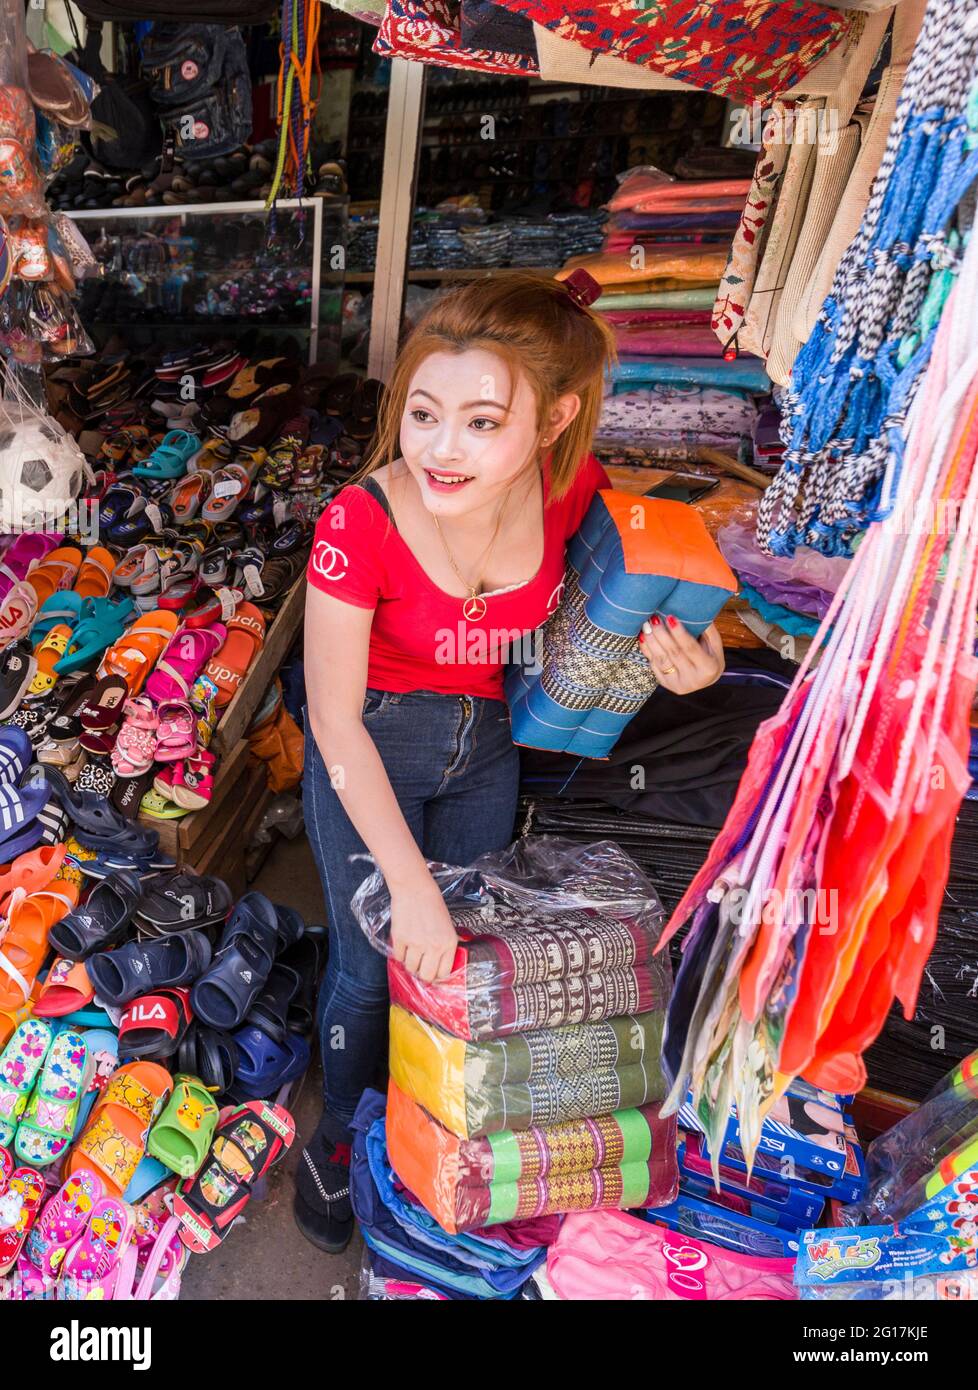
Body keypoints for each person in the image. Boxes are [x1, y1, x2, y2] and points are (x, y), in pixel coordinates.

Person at [296, 271, 726, 1251]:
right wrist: (407, 882)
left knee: (470, 958)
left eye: (482, 421)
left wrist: (688, 666)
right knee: (374, 961)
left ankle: (430, 1127)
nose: (441, 447)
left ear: (553, 418)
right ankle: (337, 1132)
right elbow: (329, 715)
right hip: (373, 742)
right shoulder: (356, 523)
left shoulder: (574, 490)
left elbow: (617, 616)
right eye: (424, 413)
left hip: (484, 751)